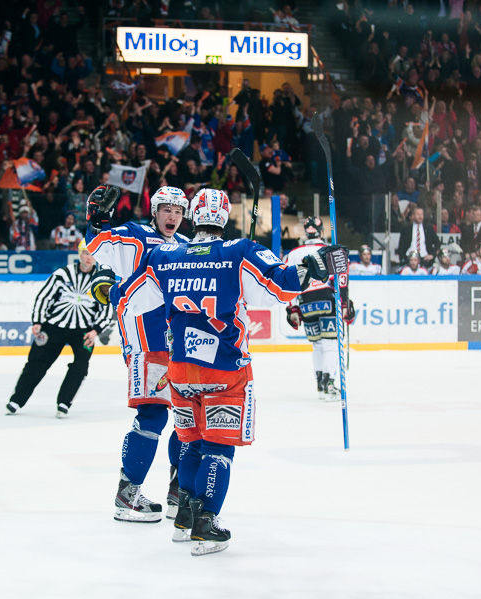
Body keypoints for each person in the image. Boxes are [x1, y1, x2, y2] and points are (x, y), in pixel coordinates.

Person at [107, 187, 332, 556]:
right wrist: (316, 266)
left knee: (192, 442)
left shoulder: (165, 253)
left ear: (192, 215)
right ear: (224, 217)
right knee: (218, 448)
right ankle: (205, 523)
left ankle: (184, 522)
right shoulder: (239, 251)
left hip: (179, 371)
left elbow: (128, 299)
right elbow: (281, 287)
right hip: (225, 369)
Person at [86, 185, 190, 523]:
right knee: (153, 416)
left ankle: (179, 490)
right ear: (155, 211)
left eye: (178, 210)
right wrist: (96, 220)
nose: (172, 215)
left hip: (183, 347)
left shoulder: (189, 248)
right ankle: (127, 493)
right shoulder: (137, 236)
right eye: (166, 209)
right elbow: (99, 246)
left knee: (186, 420)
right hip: (146, 344)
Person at [5, 240, 110, 418]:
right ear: (79, 254)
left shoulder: (100, 280)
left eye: (93, 253)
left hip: (83, 331)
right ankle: (17, 399)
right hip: (54, 327)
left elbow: (106, 307)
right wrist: (37, 321)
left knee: (81, 366)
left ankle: (64, 402)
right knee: (36, 363)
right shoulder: (63, 274)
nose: (89, 257)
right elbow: (43, 297)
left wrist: (95, 331)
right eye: (85, 253)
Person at [283, 216, 356, 400]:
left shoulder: (292, 254)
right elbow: (341, 278)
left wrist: (292, 309)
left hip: (306, 302)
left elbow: (286, 282)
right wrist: (345, 302)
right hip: (327, 299)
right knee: (330, 343)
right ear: (321, 231)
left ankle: (320, 384)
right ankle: (329, 384)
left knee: (317, 344)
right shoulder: (330, 251)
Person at [397, 207, 439, 271]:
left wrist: (432, 255)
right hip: (410, 260)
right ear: (413, 216)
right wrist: (403, 259)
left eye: (422, 214)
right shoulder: (406, 228)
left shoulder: (428, 228)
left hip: (425, 260)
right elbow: (401, 246)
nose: (420, 216)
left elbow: (437, 243)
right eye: (418, 214)